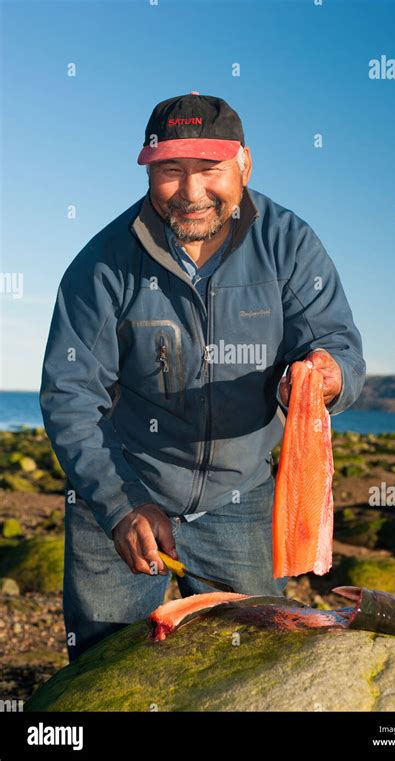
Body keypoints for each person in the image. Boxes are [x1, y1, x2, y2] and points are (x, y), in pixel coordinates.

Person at [40, 92, 366, 662]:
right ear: (148, 169)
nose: (191, 193)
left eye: (209, 169)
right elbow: (70, 395)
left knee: (251, 667)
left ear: (244, 163)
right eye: (170, 170)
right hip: (122, 491)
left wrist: (327, 376)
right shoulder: (101, 265)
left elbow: (337, 344)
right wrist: (119, 507)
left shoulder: (288, 245)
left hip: (240, 500)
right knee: (102, 663)